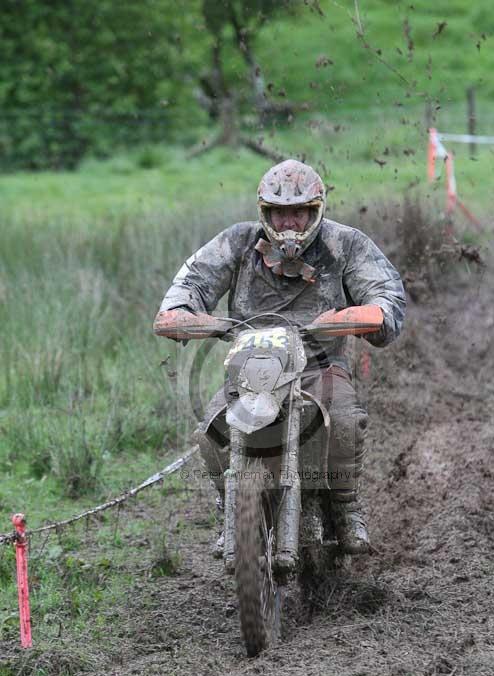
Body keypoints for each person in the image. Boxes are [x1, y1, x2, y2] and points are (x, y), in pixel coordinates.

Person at [154, 159, 406, 563]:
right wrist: (200, 320)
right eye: (279, 212)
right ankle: (229, 509)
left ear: (315, 210)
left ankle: (345, 505)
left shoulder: (346, 244)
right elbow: (183, 294)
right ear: (265, 212)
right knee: (213, 425)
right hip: (252, 372)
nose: (289, 222)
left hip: (319, 367)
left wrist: (357, 316)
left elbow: (387, 297)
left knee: (342, 418)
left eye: (298, 211)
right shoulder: (237, 243)